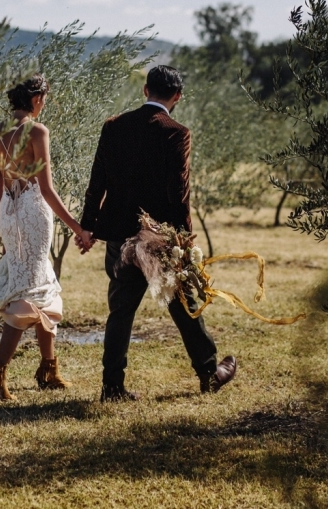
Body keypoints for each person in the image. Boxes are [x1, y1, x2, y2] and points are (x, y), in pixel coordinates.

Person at [77, 65, 237, 402]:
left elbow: (97, 182)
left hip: (120, 234)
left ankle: (112, 387)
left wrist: (88, 226)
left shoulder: (114, 127)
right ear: (177, 96)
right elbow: (178, 192)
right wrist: (185, 239)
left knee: (120, 310)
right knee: (182, 303)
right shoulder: (176, 132)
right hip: (158, 239)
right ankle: (209, 372)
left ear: (145, 90)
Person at [0, 74, 93, 401]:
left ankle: (48, 368)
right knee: (29, 292)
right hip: (32, 213)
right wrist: (79, 228)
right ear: (35, 99)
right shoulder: (37, 131)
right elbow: (46, 188)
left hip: (9, 214)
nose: (44, 104)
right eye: (44, 99)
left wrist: (4, 231)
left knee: (40, 283)